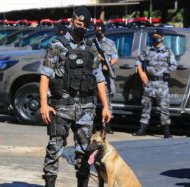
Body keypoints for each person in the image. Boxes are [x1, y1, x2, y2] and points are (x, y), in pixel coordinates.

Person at [40, 7, 112, 187]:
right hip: (61, 108)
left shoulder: (91, 49)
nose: (82, 27)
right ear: (72, 21)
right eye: (79, 23)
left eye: (85, 25)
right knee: (54, 150)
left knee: (85, 153)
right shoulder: (57, 45)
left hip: (86, 109)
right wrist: (43, 104)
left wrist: (106, 106)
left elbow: (99, 78)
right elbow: (45, 75)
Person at [133, 28, 177, 138]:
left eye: (158, 35)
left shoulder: (168, 51)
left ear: (162, 37)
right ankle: (142, 129)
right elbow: (138, 61)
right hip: (149, 83)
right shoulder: (147, 50)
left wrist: (166, 71)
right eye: (154, 35)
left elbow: (173, 65)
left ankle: (166, 131)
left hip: (162, 83)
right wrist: (142, 73)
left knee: (164, 108)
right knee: (145, 107)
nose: (155, 37)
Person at [94, 24, 118, 134]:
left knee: (107, 101)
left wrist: (107, 65)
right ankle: (92, 124)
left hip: (105, 74)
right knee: (92, 100)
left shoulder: (109, 43)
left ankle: (107, 125)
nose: (99, 32)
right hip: (93, 74)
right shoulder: (91, 43)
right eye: (97, 30)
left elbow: (115, 58)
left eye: (100, 30)